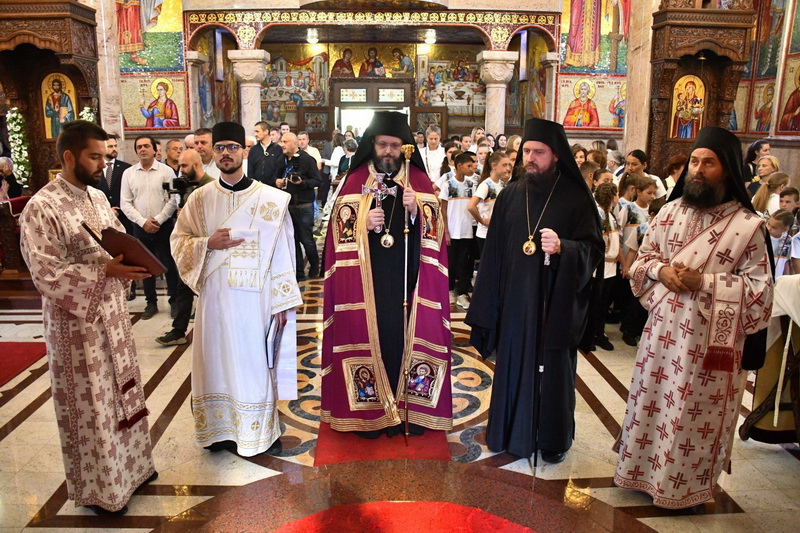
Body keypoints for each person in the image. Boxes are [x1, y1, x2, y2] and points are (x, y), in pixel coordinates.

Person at [614, 126, 773, 509]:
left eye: (709, 163)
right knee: (653, 404)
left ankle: (685, 488)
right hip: (662, 337)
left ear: (727, 169)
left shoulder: (748, 227)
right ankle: (640, 472)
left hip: (710, 347)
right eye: (695, 162)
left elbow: (761, 292)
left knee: (691, 416)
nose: (698, 170)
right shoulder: (669, 212)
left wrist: (704, 282)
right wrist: (661, 271)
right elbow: (643, 260)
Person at [19, 120, 156, 515]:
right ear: (69, 156)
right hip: (77, 328)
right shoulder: (40, 207)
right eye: (94, 157)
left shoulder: (96, 197)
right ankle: (102, 490)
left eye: (103, 156)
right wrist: (104, 270)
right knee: (93, 406)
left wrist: (131, 261)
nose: (102, 163)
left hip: (112, 316)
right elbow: (45, 273)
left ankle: (134, 470)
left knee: (122, 397)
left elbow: (116, 238)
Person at [466, 117, 603, 462]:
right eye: (526, 151)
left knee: (553, 371)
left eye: (538, 152)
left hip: (552, 304)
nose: (529, 158)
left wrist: (564, 248)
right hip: (514, 302)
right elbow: (493, 254)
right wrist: (489, 303)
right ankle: (506, 431)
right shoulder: (511, 195)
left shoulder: (576, 197)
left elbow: (593, 250)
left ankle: (552, 439)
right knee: (512, 364)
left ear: (556, 155)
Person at [171, 122, 301, 455]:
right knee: (215, 362)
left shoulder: (270, 199)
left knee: (252, 363)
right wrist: (207, 243)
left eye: (232, 147)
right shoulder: (199, 200)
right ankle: (219, 431)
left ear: (244, 151)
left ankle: (257, 432)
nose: (226, 153)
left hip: (255, 302)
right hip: (215, 301)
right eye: (220, 148)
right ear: (212, 153)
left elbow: (284, 251)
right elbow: (179, 241)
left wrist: (281, 303)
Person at [320, 111, 452, 437]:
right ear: (373, 144)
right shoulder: (355, 180)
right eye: (383, 145)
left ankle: (411, 410)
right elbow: (336, 234)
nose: (389, 151)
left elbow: (437, 234)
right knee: (372, 334)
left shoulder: (417, 180)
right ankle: (370, 413)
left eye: (395, 145)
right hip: (368, 284)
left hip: (409, 282)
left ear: (405, 146)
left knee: (405, 334)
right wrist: (362, 225)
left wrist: (416, 211)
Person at [120, 135, 179, 320]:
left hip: (164, 226)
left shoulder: (166, 171)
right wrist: (142, 221)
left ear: (155, 150)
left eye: (146, 146)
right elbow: (125, 203)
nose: (143, 149)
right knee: (144, 266)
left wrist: (159, 220)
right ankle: (150, 303)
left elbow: (174, 198)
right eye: (139, 147)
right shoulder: (129, 173)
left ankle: (174, 301)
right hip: (140, 227)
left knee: (169, 264)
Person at [268, 132, 322, 280]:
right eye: (281, 141)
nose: (282, 144)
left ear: (295, 143)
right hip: (288, 206)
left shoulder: (307, 159)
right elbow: (274, 176)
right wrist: (277, 181)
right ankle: (299, 272)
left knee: (306, 240)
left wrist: (302, 183)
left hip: (304, 206)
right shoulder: (282, 159)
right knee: (293, 240)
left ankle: (315, 267)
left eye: (285, 142)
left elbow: (317, 181)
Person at [440, 152, 478, 309]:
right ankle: (449, 290)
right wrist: (446, 231)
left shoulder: (471, 184)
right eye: (468, 166)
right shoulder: (448, 184)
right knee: (451, 262)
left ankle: (461, 292)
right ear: (459, 166)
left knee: (464, 263)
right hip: (453, 230)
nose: (471, 169)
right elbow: (443, 209)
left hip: (466, 230)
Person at [467, 151, 511, 259]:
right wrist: (482, 220)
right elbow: (471, 206)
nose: (507, 168)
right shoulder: (486, 185)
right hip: (485, 234)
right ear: (494, 166)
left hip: (498, 231)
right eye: (504, 165)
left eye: (508, 165)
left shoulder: (502, 184)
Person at [767, 209, 793, 277]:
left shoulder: (788, 241)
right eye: (768, 224)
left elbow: (786, 262)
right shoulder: (763, 236)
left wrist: (786, 279)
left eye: (773, 227)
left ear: (785, 229)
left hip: (777, 278)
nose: (768, 228)